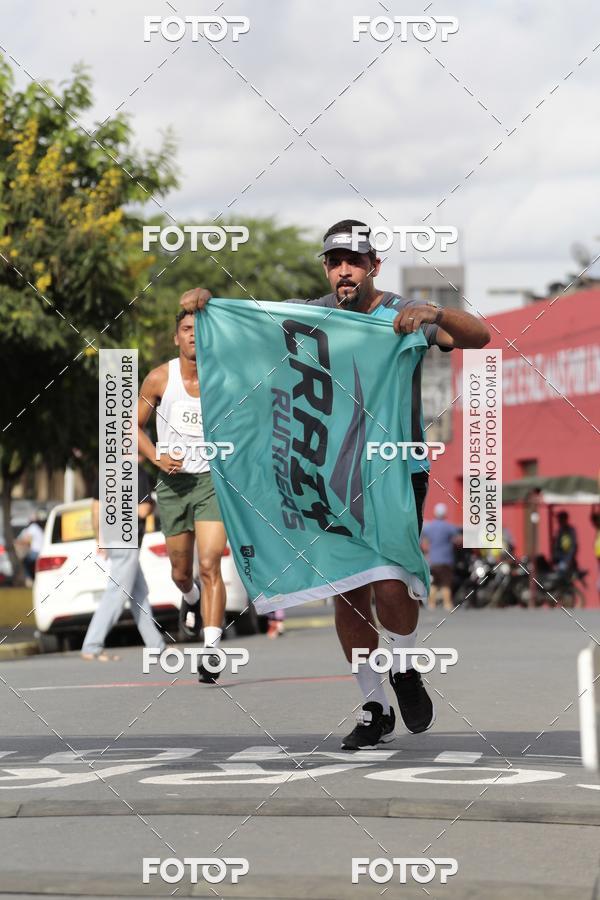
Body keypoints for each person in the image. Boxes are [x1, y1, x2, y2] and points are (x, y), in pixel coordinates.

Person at [180, 219, 490, 745]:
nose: (344, 269)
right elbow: (248, 347)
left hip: (395, 468)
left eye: (355, 259)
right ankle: (373, 707)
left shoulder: (400, 314)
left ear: (374, 265)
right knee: (346, 594)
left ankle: (407, 667)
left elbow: (479, 336)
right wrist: (208, 312)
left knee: (390, 582)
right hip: (326, 476)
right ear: (326, 266)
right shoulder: (311, 317)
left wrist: (435, 313)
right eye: (335, 260)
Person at [137, 310, 228, 683]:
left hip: (211, 481)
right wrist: (156, 455)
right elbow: (132, 427)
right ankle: (189, 600)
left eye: (200, 331)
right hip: (173, 487)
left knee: (209, 564)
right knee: (180, 572)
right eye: (187, 330)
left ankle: (211, 649)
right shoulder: (161, 377)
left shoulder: (224, 377)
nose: (194, 336)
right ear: (177, 338)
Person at [81, 461, 166, 661]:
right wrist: (152, 504)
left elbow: (96, 507)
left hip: (112, 539)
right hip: (128, 541)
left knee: (139, 592)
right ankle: (92, 645)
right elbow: (143, 510)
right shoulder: (138, 473)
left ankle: (157, 646)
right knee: (116, 594)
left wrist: (99, 540)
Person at [421, 503, 460, 611]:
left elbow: (423, 540)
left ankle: (431, 604)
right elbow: (457, 539)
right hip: (446, 560)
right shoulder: (448, 527)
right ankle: (447, 604)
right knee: (446, 582)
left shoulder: (429, 527)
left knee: (434, 582)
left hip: (433, 560)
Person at [16, 512, 44, 586]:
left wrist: (16, 541)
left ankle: (29, 580)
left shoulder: (33, 527)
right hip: (42, 552)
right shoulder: (39, 528)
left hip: (36, 552)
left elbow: (26, 540)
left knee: (24, 561)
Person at [552, 510, 578, 574]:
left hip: (565, 559)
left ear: (565, 519)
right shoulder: (559, 530)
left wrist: (568, 560)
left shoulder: (570, 530)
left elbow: (573, 546)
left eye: (560, 519)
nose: (558, 521)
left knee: (561, 574)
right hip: (558, 559)